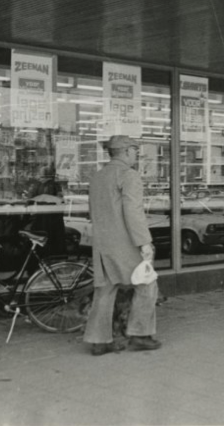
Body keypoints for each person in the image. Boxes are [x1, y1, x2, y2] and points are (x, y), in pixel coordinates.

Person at [84, 135, 161, 356]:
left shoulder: (97, 177)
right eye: (135, 150)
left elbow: (92, 212)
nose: (137, 154)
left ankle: (99, 341)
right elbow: (133, 212)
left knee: (105, 290)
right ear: (126, 151)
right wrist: (144, 243)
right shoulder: (129, 175)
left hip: (102, 244)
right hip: (125, 244)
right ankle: (140, 335)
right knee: (147, 284)